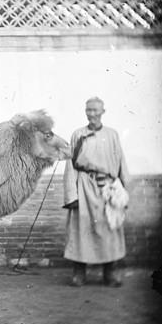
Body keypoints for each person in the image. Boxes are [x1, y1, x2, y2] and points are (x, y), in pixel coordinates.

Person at [63, 97, 129, 287]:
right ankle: (79, 272)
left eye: (95, 110)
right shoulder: (78, 134)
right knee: (81, 229)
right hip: (84, 187)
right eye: (88, 110)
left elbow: (121, 163)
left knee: (109, 228)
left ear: (103, 112)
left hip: (108, 188)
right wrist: (71, 196)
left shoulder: (112, 135)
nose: (92, 114)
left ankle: (110, 273)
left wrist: (123, 192)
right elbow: (70, 167)